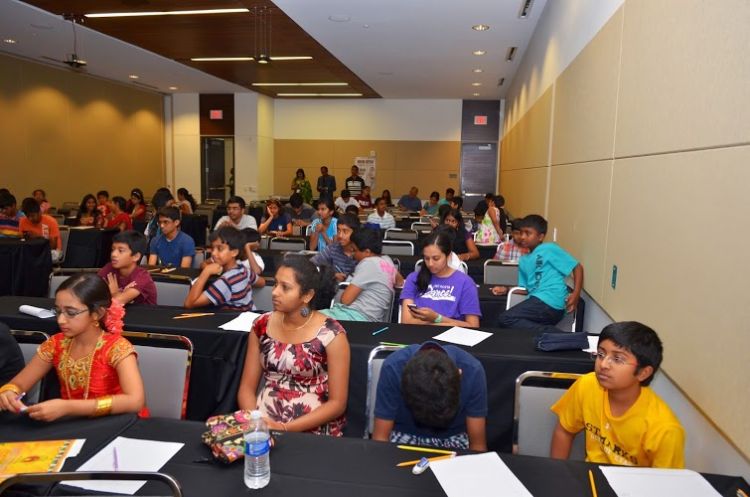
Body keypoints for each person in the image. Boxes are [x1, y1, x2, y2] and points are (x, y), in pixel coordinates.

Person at [0, 273, 148, 420]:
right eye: (58, 311)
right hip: (71, 424)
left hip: (115, 423)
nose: (61, 320)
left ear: (97, 313)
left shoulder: (117, 348)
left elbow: (135, 401)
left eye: (71, 313)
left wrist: (69, 407)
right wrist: (9, 391)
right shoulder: (56, 344)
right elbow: (19, 383)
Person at [236, 255, 348, 435]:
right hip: (262, 424)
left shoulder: (331, 335)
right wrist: (257, 422)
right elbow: (246, 388)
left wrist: (285, 428)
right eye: (275, 284)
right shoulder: (261, 325)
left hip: (313, 430)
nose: (274, 292)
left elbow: (337, 404)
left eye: (285, 287)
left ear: (307, 295)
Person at [551, 322, 685, 468]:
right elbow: (564, 431)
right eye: (601, 354)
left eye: (617, 359)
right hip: (590, 476)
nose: (603, 364)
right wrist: (557, 472)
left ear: (643, 373)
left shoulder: (665, 429)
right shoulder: (588, 384)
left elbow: (666, 480)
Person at [372, 342, 487, 450]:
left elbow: (477, 446)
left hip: (453, 437)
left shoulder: (473, 371)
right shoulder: (393, 368)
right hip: (404, 434)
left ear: (459, 375)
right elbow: (380, 439)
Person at [492, 215, 583, 333]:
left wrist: (576, 294)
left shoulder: (549, 248)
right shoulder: (523, 260)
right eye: (521, 233)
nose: (522, 237)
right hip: (538, 302)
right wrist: (505, 289)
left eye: (528, 233)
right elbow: (525, 289)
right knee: (512, 324)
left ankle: (558, 335)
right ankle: (551, 335)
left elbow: (577, 267)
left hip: (551, 299)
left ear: (540, 237)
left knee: (506, 318)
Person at [401, 231, 481, 327]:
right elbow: (406, 321)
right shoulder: (414, 278)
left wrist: (437, 318)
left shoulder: (466, 283)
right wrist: (438, 322)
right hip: (418, 333)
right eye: (426, 258)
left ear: (449, 256)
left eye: (436, 258)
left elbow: (473, 325)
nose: (430, 264)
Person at [321, 228, 398, 322]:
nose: (352, 254)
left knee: (308, 318)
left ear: (367, 252)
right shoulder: (387, 260)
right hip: (372, 318)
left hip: (353, 316)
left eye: (354, 250)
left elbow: (345, 300)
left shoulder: (368, 263)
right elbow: (400, 281)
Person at [184, 226, 264, 311]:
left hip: (234, 318)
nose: (213, 253)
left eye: (220, 249)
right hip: (250, 314)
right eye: (212, 248)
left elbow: (189, 304)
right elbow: (262, 282)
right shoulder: (243, 270)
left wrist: (206, 272)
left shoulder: (226, 281)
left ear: (234, 252)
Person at [98, 230, 157, 306]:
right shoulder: (110, 268)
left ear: (136, 256)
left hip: (143, 312)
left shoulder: (142, 276)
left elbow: (118, 302)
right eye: (113, 249)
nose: (113, 254)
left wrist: (114, 293)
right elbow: (91, 292)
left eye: (120, 251)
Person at [311, 213, 360, 282]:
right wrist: (332, 275)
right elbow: (311, 264)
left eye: (345, 231)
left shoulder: (362, 252)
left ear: (355, 233)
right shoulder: (333, 248)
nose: (340, 235)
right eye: (338, 230)